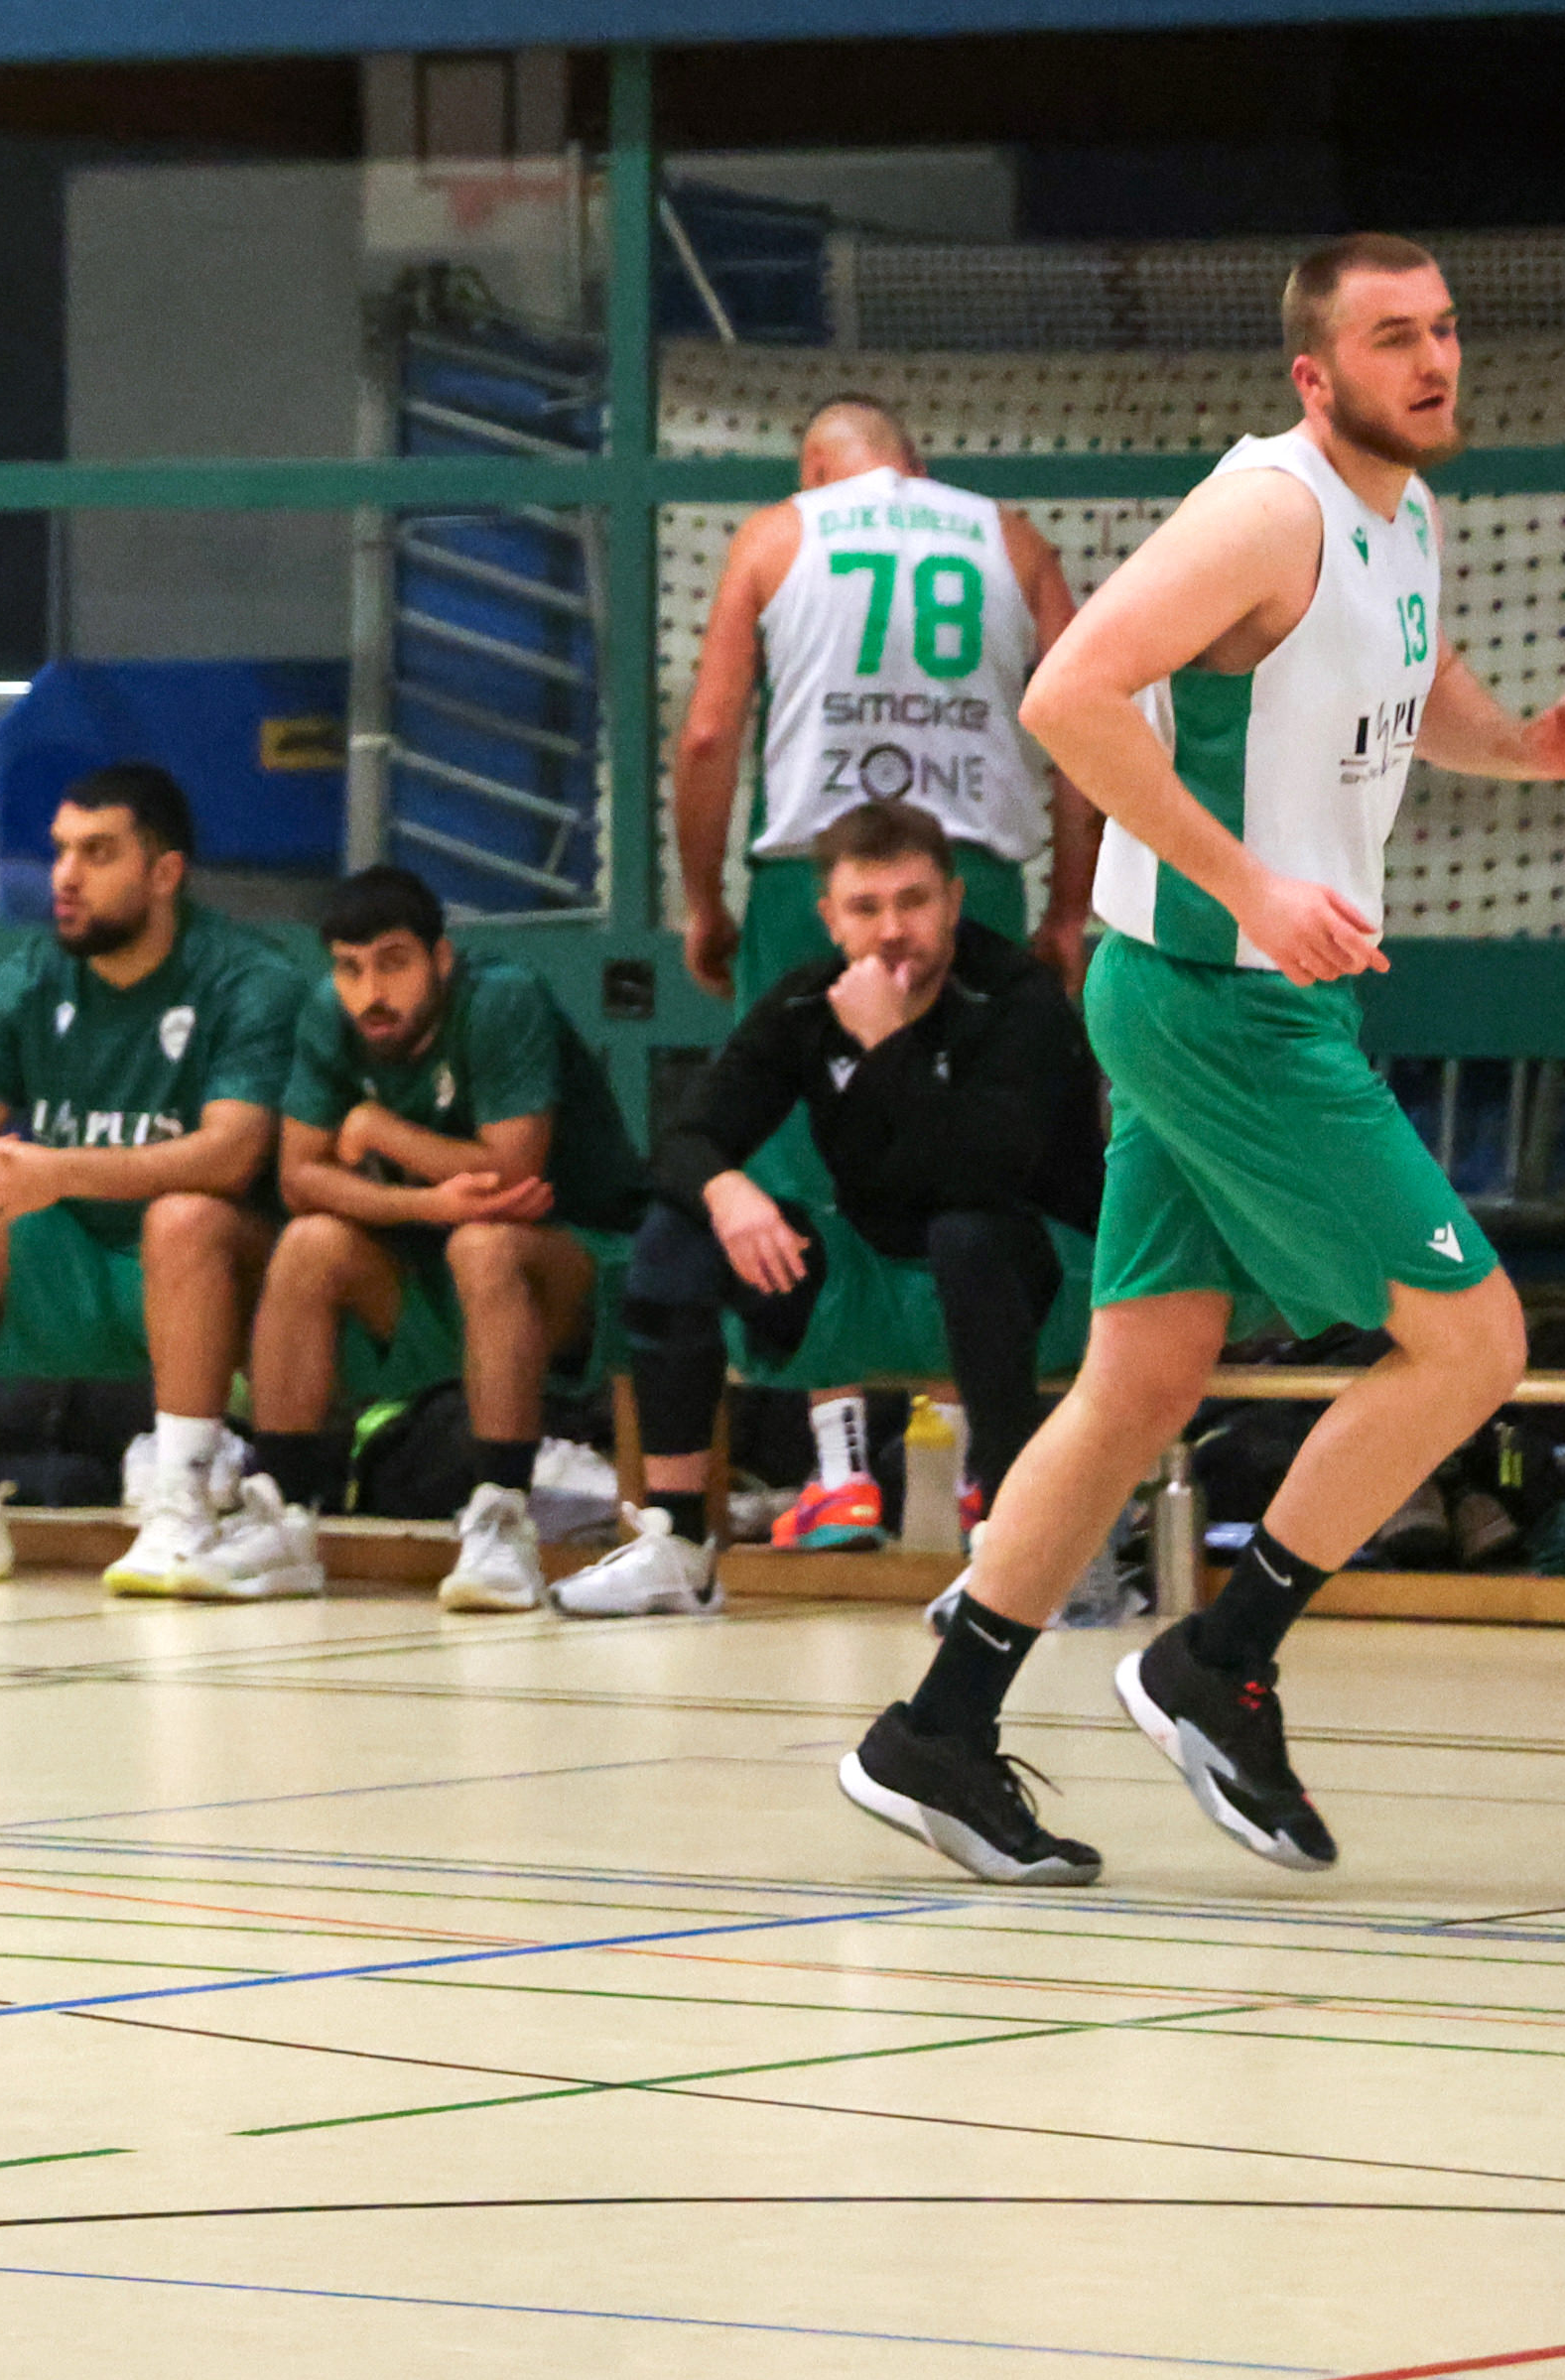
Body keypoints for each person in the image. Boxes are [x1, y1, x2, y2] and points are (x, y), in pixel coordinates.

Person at [841, 235, 1565, 1886]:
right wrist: (1250, 882)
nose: (1434, 359)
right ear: (1312, 373)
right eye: (1393, 336)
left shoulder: (1404, 513)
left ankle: (938, 1725)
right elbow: (1071, 693)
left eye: (1443, 328)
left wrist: (1521, 747)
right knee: (1472, 1339)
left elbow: (1408, 685)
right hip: (1220, 994)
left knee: (1140, 1378)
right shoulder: (1268, 508)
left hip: (1235, 990)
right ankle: (1219, 1654)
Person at [674, 396, 1100, 1548]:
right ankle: (966, 1470)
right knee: (962, 1160)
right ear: (917, 461)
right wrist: (1066, 905)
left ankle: (839, 1477)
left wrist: (703, 898)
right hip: (965, 873)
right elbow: (1080, 724)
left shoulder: (777, 534)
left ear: (816, 469)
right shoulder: (1008, 538)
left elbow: (708, 733)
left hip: (816, 878)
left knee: (803, 1154)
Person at [558, 798, 1098, 1621]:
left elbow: (983, 1171)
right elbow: (684, 1141)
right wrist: (726, 1191)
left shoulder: (1019, 999)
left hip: (1044, 1280)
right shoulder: (808, 1003)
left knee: (968, 1234)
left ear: (954, 901)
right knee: (675, 1232)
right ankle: (678, 1545)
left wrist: (887, 1045)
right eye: (865, 908)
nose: (892, 930)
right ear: (829, 920)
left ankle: (1012, 1552)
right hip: (877, 1274)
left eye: (913, 902)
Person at [0, 761, 307, 1593]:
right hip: (77, 1262)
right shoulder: (31, 975)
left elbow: (232, 1155)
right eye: (58, 851)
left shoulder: (247, 977)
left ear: (164, 873)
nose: (64, 876)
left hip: (223, 1271)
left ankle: (182, 1507)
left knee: (183, 1218)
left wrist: (57, 1172)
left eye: (97, 852)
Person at [227, 865, 643, 1610]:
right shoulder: (331, 1015)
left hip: (578, 1261)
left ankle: (501, 1523)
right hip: (432, 1256)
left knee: (483, 1242)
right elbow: (298, 1177)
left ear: (440, 959)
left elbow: (511, 1172)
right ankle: (281, 1515)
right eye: (349, 968)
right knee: (309, 1242)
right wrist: (425, 1203)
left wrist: (379, 1129)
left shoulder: (502, 999)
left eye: (393, 962)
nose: (370, 992)